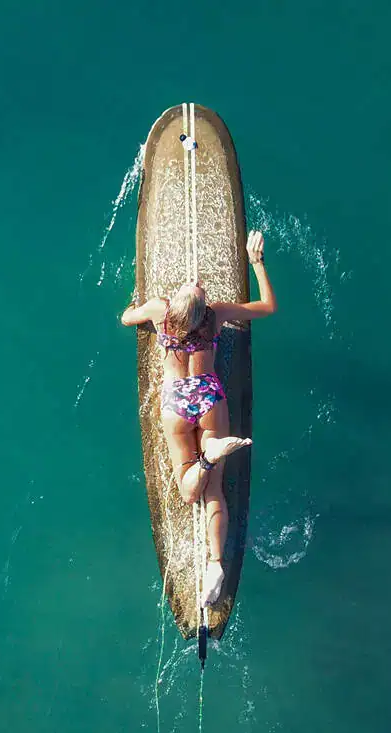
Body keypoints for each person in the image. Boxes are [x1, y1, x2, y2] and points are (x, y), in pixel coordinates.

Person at [121, 230, 277, 603]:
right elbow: (267, 306)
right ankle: (216, 564)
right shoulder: (216, 315)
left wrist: (135, 305)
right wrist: (256, 262)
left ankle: (206, 459)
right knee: (215, 493)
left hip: (176, 403)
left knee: (188, 491)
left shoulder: (160, 311)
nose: (197, 283)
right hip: (208, 399)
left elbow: (128, 318)